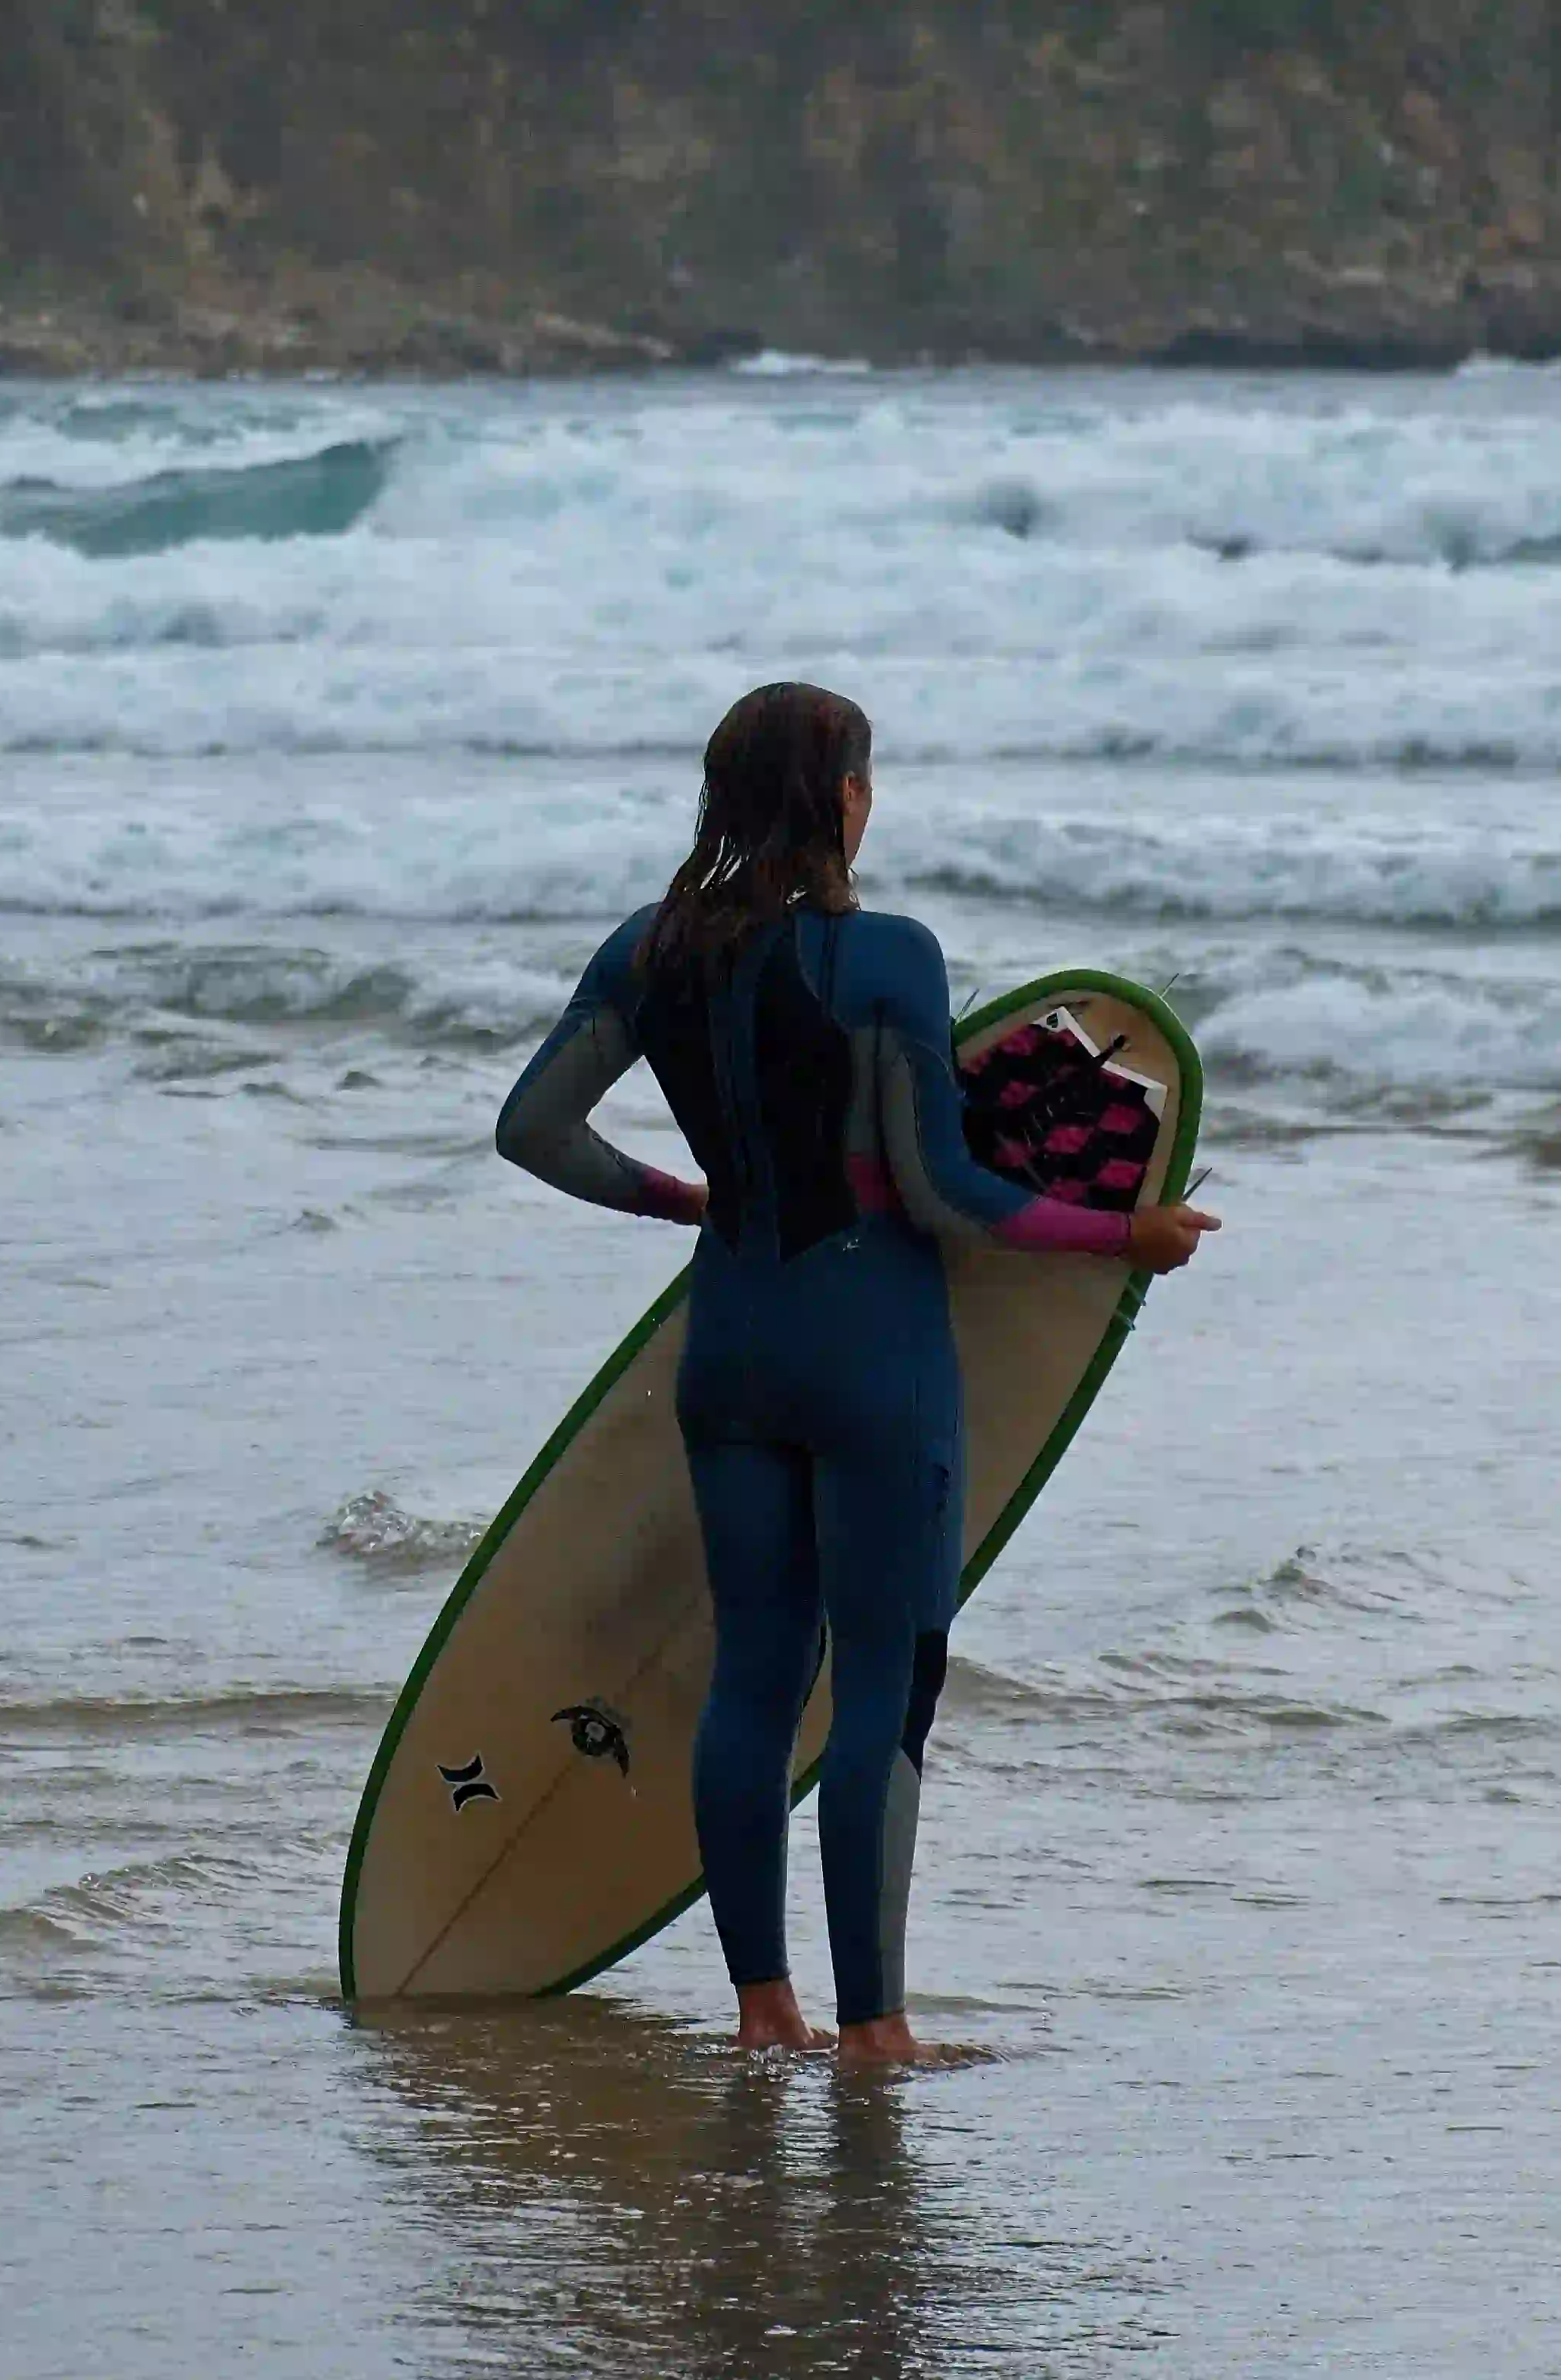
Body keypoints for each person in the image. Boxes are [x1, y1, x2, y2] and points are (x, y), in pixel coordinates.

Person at [493, 682, 1219, 2064]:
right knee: (882, 1686)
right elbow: (947, 1195)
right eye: (865, 780)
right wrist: (1123, 1235)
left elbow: (533, 1129)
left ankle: (767, 2012)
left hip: (732, 1349)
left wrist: (687, 1198)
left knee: (755, 1680)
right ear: (841, 800)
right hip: (871, 1353)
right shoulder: (887, 957)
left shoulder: (643, 955)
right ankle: (876, 2029)